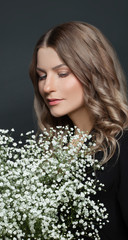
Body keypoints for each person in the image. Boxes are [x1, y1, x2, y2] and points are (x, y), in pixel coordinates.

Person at [29, 21, 128, 239]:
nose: (47, 87)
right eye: (42, 75)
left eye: (62, 73)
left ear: (93, 72)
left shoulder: (121, 142)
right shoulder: (53, 146)